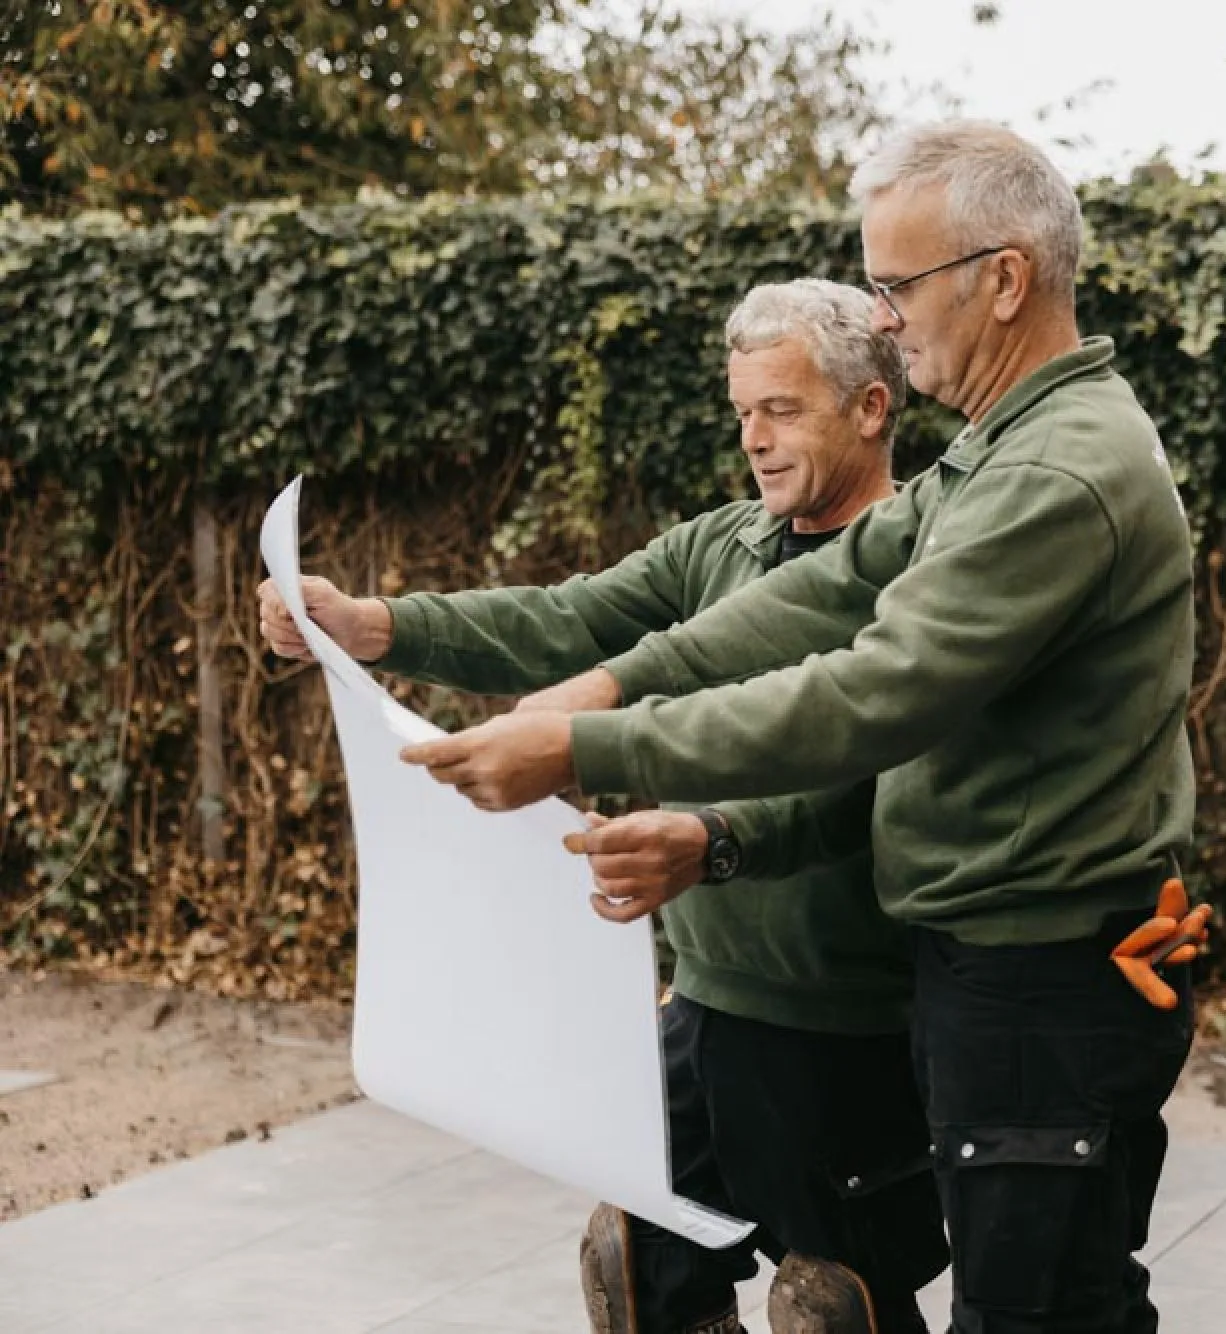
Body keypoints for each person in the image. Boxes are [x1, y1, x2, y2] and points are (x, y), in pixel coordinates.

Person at [404, 122, 1201, 1334]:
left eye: (899, 284)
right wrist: (605, 688)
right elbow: (824, 589)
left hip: (1041, 981)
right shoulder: (995, 451)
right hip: (984, 970)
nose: (885, 314)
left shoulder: (1058, 472)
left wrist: (586, 752)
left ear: (1003, 279)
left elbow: (873, 689)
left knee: (1039, 1313)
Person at [259, 280, 946, 1334]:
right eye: (742, 412)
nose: (755, 440)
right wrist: (375, 624)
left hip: (843, 1015)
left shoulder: (923, 560)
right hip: (706, 995)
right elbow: (563, 618)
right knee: (630, 1259)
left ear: (869, 408)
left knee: (831, 1305)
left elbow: (889, 779)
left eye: (783, 409)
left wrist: (715, 839)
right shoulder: (721, 545)